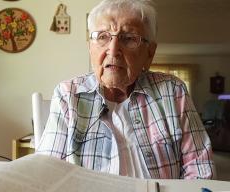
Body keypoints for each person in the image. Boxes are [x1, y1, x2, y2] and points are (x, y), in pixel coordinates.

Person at [36, 0, 216, 179]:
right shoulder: (68, 94)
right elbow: (46, 172)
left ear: (149, 53)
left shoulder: (172, 91)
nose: (113, 51)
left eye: (129, 38)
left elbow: (200, 169)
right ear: (90, 47)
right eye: (102, 37)